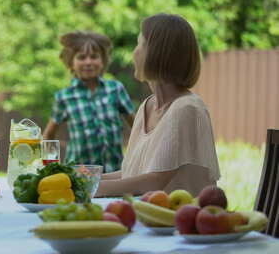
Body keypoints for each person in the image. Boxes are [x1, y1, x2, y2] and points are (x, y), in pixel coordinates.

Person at [97, 13, 221, 197]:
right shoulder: (147, 106)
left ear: (157, 52)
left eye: (139, 44)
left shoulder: (187, 108)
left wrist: (87, 188)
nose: (134, 52)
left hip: (181, 221)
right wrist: (81, 178)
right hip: (150, 217)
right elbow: (134, 175)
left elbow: (153, 183)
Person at [43, 31, 135, 172]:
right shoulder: (65, 97)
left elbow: (137, 127)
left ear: (102, 61)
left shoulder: (115, 89)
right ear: (71, 63)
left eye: (94, 57)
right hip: (78, 176)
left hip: (115, 172)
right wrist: (50, 168)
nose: (88, 62)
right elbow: (48, 135)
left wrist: (136, 157)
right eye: (81, 57)